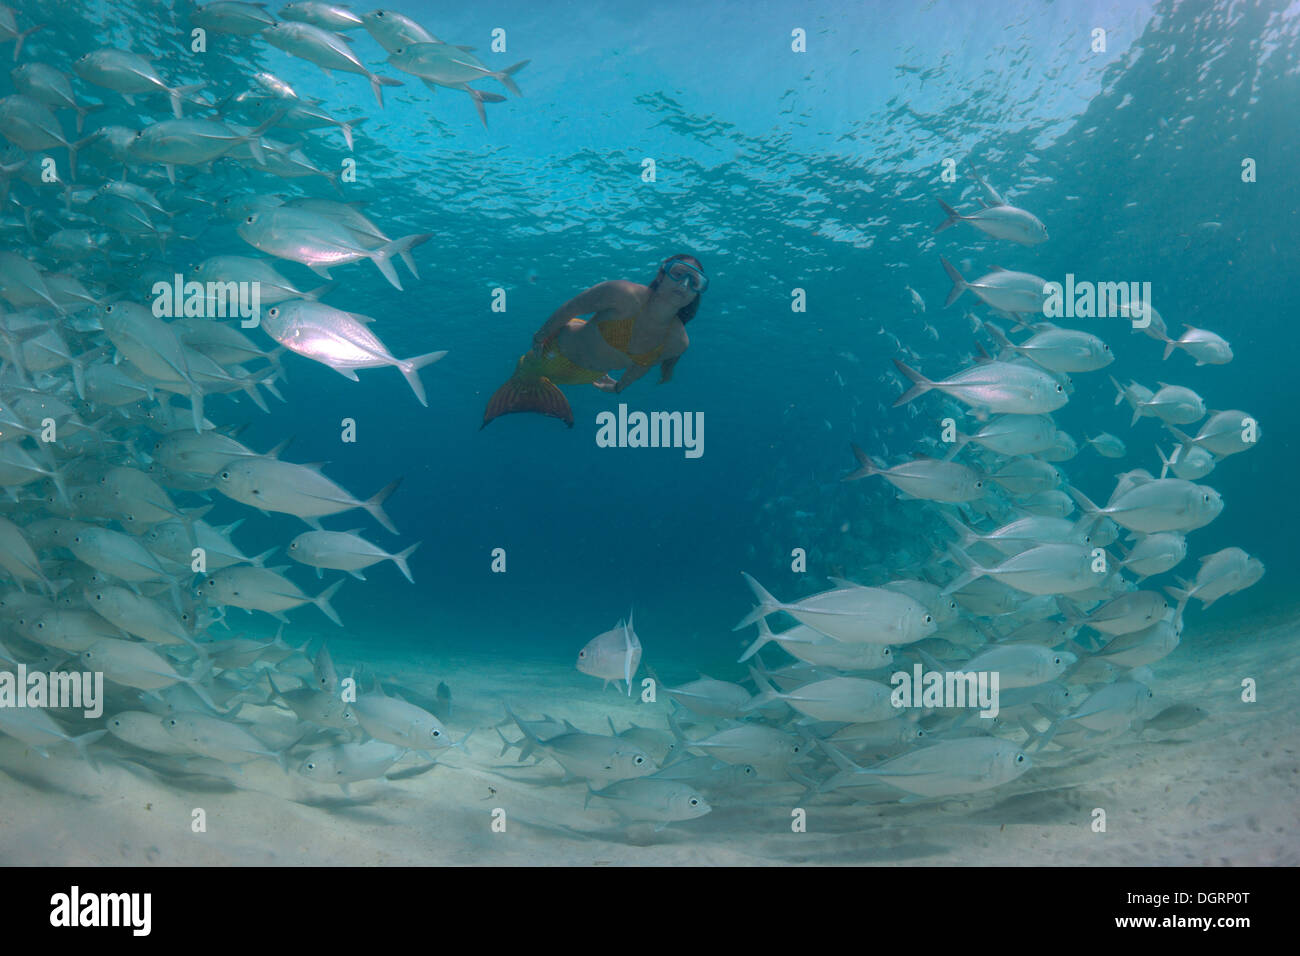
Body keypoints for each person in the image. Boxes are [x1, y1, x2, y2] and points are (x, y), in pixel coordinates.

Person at [481, 254, 707, 428]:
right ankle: (516, 392)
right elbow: (573, 308)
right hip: (553, 351)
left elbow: (643, 364)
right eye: (678, 274)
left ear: (697, 292)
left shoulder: (678, 342)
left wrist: (619, 386)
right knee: (525, 377)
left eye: (694, 282)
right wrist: (540, 336)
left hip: (587, 377)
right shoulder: (622, 293)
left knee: (534, 384)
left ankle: (535, 397)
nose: (684, 284)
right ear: (661, 275)